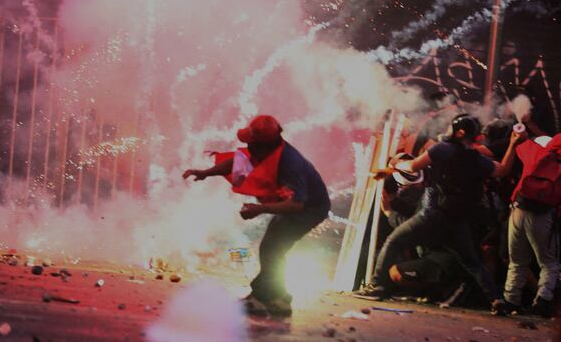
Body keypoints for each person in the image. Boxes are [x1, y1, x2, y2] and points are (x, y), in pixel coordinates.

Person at [354, 114, 524, 315]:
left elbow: (412, 166)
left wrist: (394, 164)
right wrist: (513, 143)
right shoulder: (477, 159)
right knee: (472, 262)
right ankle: (496, 299)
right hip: (456, 219)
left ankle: (376, 287)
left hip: (432, 213)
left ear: (460, 132)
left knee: (394, 241)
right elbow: (503, 170)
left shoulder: (443, 149)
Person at [182, 115, 330, 317]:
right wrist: (206, 172)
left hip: (309, 210)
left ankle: (261, 298)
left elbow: (296, 204)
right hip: (297, 206)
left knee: (272, 247)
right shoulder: (265, 151)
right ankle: (280, 299)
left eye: (251, 142)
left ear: (262, 145)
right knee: (273, 248)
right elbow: (236, 164)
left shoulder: (289, 163)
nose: (247, 146)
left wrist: (260, 209)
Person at [502, 133, 561, 318]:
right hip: (543, 216)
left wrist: (521, 134)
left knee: (517, 261)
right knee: (549, 263)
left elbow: (520, 142)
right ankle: (541, 302)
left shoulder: (535, 152)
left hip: (518, 210)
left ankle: (510, 301)